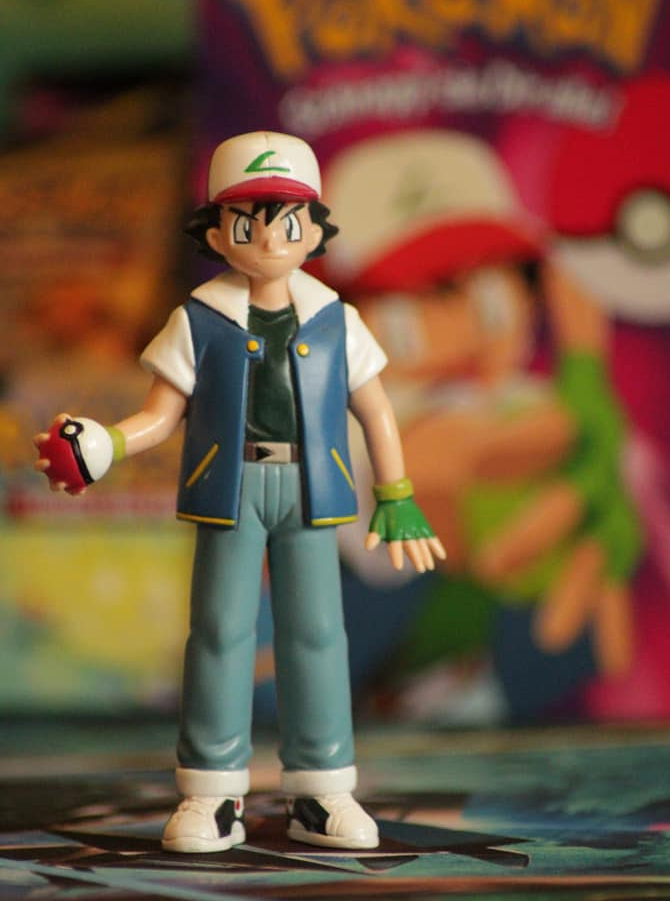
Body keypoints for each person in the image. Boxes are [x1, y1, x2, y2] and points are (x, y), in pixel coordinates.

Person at [34, 130, 445, 853]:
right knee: (221, 633)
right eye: (248, 222)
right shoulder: (197, 319)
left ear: (314, 230)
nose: (269, 238)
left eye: (288, 220)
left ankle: (322, 790)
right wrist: (109, 444)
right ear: (217, 233)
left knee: (317, 634)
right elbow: (163, 414)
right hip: (229, 489)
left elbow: (376, 410)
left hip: (313, 490)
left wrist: (398, 494)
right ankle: (210, 792)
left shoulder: (337, 318)